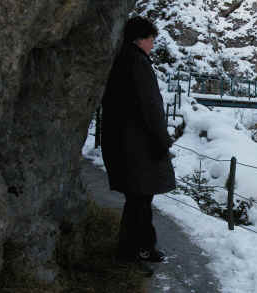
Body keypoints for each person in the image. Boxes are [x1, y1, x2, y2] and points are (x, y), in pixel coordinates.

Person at [101, 16, 176, 263]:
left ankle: (128, 248)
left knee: (136, 200)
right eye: (151, 39)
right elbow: (151, 106)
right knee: (141, 200)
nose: (153, 44)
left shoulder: (120, 60)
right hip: (139, 147)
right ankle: (141, 249)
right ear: (141, 39)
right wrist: (162, 140)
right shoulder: (138, 63)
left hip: (123, 143)